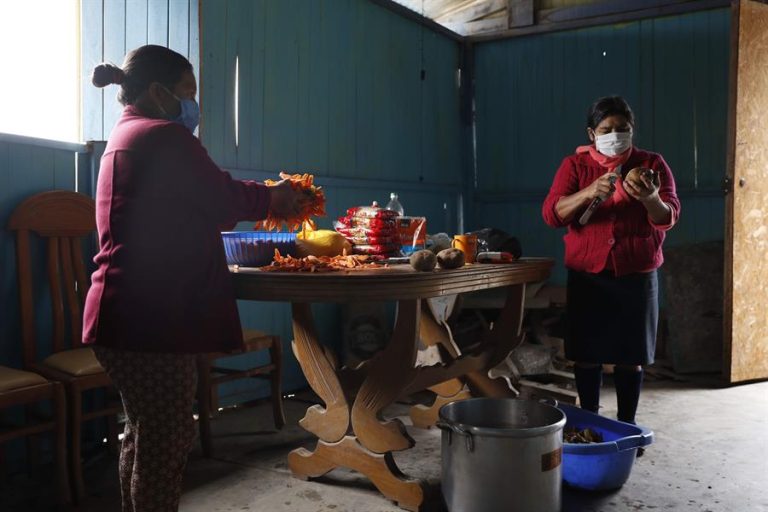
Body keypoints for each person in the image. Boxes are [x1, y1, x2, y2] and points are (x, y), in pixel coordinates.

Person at [83, 45, 302, 512]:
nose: (193, 104)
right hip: (148, 320)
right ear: (158, 92)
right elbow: (220, 197)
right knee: (166, 439)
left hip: (123, 313)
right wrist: (274, 198)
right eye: (188, 92)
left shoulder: (127, 133)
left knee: (145, 434)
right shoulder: (163, 136)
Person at [542, 96, 680, 425]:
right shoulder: (575, 166)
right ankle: (590, 422)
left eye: (622, 128)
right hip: (588, 274)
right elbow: (552, 215)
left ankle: (626, 426)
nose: (615, 135)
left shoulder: (651, 164)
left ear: (632, 130)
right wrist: (589, 192)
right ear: (592, 134)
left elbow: (668, 217)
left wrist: (650, 198)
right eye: (606, 129)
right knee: (586, 355)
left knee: (631, 356)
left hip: (637, 273)